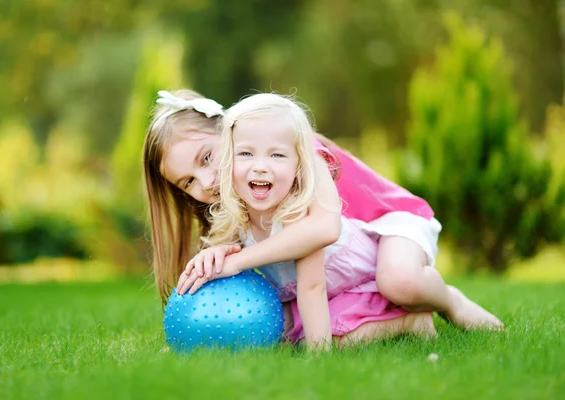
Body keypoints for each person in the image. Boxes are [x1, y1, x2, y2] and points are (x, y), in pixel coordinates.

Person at [143, 89, 502, 331]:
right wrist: (221, 251)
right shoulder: (240, 194)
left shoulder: (292, 150)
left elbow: (324, 229)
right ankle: (404, 321)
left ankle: (449, 302)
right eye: (187, 182)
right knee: (297, 327)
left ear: (232, 128)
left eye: (206, 158)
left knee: (400, 281)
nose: (205, 181)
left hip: (386, 225)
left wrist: (236, 261)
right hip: (339, 265)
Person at [184, 93, 440, 349]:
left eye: (277, 156)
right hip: (329, 292)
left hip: (359, 284)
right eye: (246, 154)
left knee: (331, 338)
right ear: (228, 161)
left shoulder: (298, 215)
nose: (260, 167)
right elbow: (228, 276)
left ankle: (412, 322)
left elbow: (312, 287)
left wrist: (318, 356)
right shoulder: (235, 215)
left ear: (299, 165)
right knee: (283, 335)